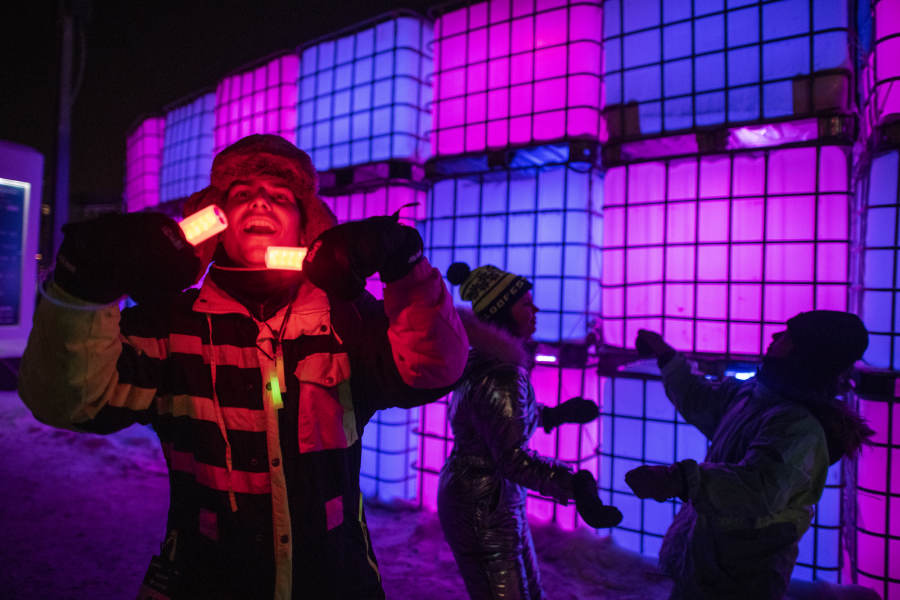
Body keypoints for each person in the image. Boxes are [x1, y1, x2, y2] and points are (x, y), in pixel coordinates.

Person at [18, 134, 469, 600]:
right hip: (201, 581)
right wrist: (82, 287)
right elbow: (68, 400)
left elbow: (434, 369)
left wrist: (407, 269)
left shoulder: (345, 317)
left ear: (306, 228)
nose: (259, 201)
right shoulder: (172, 324)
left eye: (279, 196)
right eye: (241, 194)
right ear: (213, 222)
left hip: (338, 581)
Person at [627, 311, 875, 600]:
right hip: (703, 568)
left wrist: (678, 480)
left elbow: (757, 487)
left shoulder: (798, 427)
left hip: (741, 584)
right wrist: (666, 355)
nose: (773, 337)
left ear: (808, 354)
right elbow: (700, 399)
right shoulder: (756, 397)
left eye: (787, 336)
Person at [438, 262, 622, 600]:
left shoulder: (485, 361)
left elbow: (495, 418)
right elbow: (512, 459)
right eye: (525, 303)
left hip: (487, 498)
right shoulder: (502, 373)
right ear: (503, 312)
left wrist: (553, 415)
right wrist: (575, 484)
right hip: (483, 506)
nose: (535, 309)